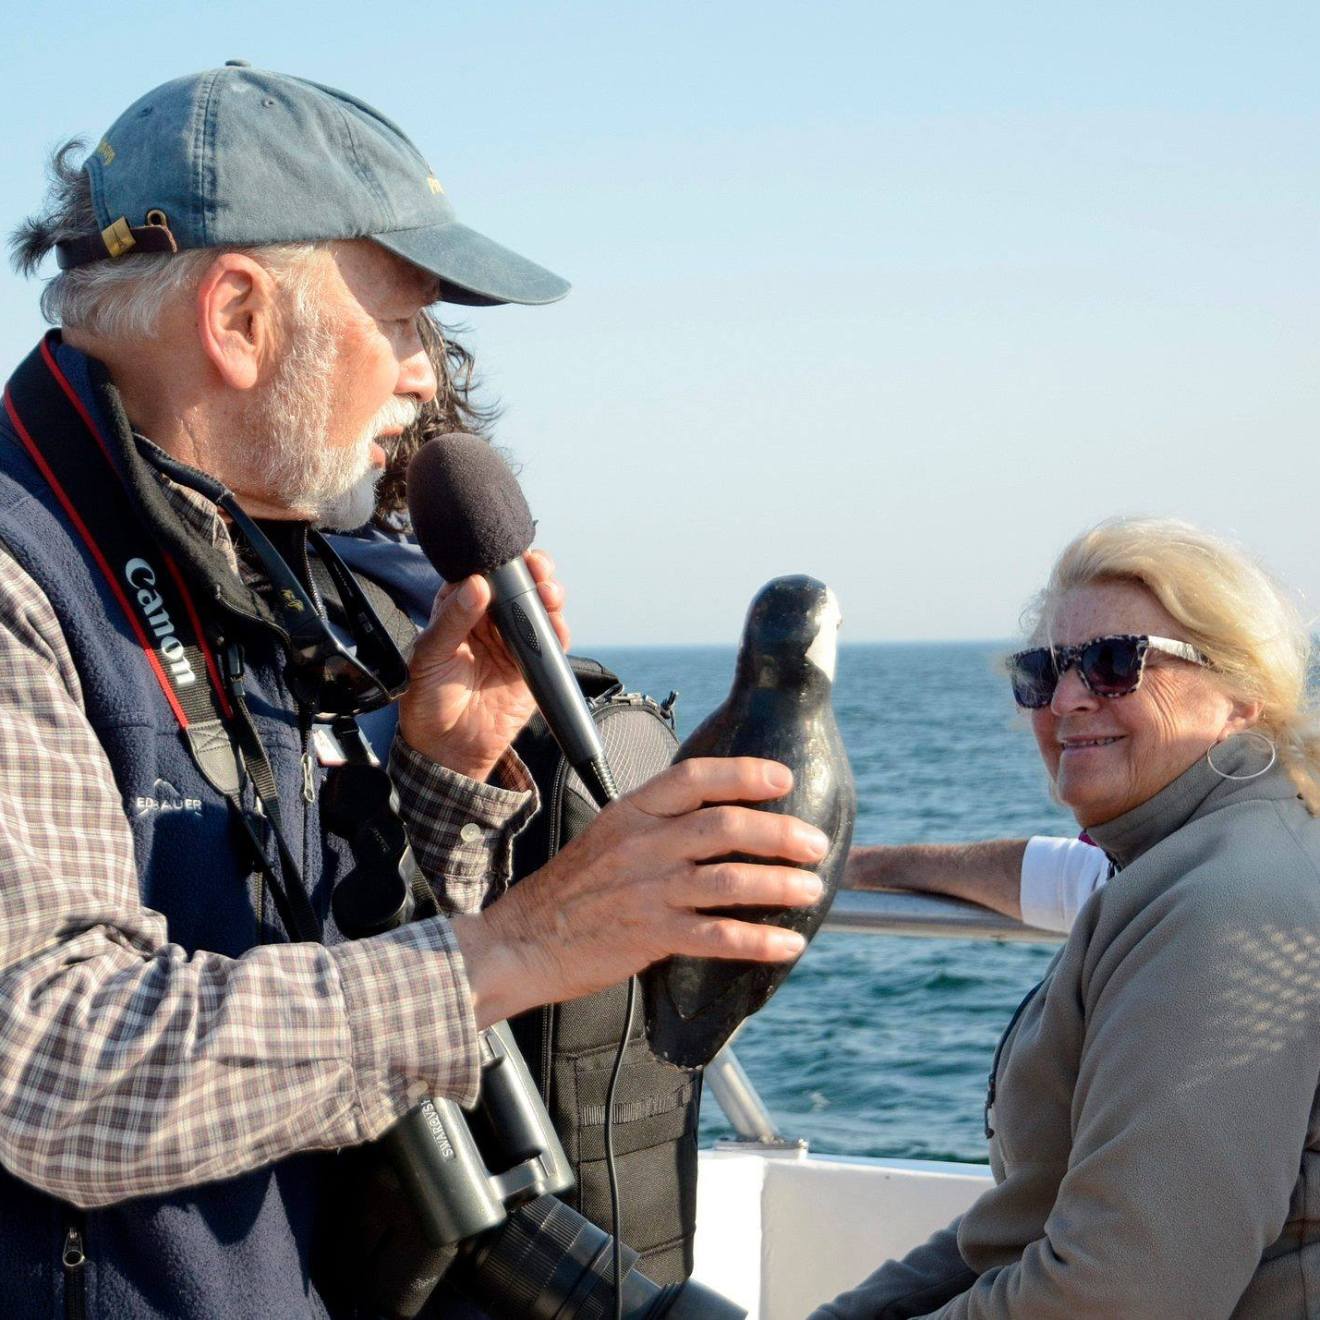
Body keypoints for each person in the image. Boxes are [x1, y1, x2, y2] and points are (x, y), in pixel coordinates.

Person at [0, 65, 829, 1318]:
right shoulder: (23, 578)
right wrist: (524, 944)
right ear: (237, 319)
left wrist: (437, 780)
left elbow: (294, 992)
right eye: (399, 321)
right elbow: (56, 1072)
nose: (424, 379)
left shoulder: (254, 559)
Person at [814, 516, 1320, 1319]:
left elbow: (1127, 1291)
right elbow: (1021, 1227)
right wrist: (856, 864)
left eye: (1117, 663)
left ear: (1241, 695)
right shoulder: (1178, 860)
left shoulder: (1223, 907)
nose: (1069, 698)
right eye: (1043, 671)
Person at [844, 834, 1109, 934]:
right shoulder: (1119, 880)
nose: (1063, 707)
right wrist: (859, 866)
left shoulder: (1140, 881)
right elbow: (1060, 875)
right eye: (1035, 705)